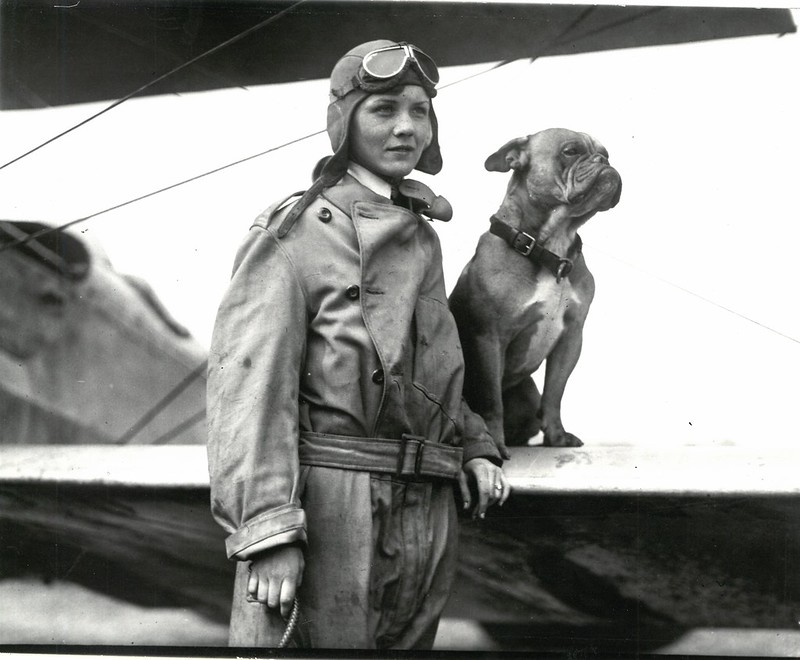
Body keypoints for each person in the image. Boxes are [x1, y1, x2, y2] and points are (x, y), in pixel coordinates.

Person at [206, 39, 510, 650]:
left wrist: (474, 445)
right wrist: (270, 531)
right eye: (384, 109)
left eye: (420, 110)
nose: (406, 127)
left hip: (427, 507)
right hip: (331, 510)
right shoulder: (294, 233)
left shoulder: (423, 236)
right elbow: (249, 391)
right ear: (345, 122)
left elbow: (436, 368)